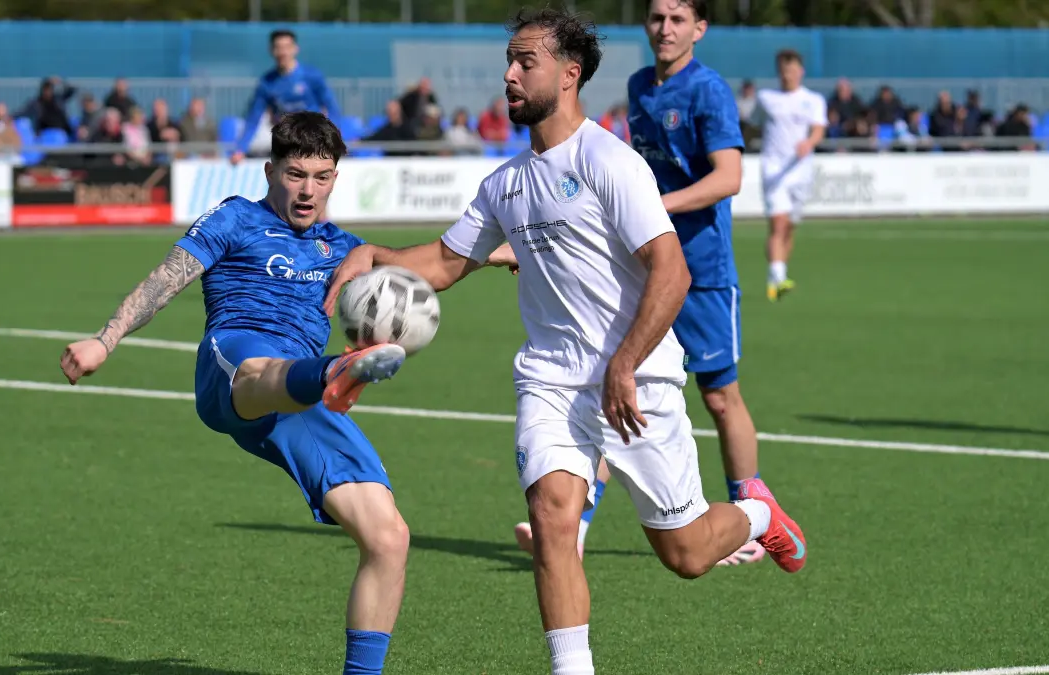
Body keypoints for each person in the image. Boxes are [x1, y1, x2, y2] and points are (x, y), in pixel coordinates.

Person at [323, 10, 807, 675]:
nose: (509, 74)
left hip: (638, 381)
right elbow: (442, 261)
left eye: (526, 61)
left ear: (569, 74)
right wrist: (371, 255)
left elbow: (674, 270)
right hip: (550, 379)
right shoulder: (505, 183)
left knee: (688, 552)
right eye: (510, 61)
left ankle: (757, 513)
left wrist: (625, 362)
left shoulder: (611, 162)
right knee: (553, 517)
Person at [60, 112, 409, 675]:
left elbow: (428, 264)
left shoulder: (341, 245)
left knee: (389, 536)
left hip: (305, 392)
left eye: (322, 177)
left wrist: (492, 255)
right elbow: (165, 279)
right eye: (296, 174)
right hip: (234, 365)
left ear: (336, 178)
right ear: (270, 170)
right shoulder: (235, 217)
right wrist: (106, 339)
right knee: (260, 369)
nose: (307, 190)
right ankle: (334, 373)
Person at [512, 0, 769, 568]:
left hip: (698, 269)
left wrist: (654, 207)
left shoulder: (709, 90)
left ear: (699, 29)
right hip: (635, 266)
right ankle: (574, 524)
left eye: (678, 19)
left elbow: (729, 177)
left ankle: (749, 512)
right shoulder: (638, 85)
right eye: (657, 17)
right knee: (607, 380)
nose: (665, 28)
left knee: (721, 398)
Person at [753, 48, 827, 301]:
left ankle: (776, 276)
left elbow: (818, 129)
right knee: (778, 223)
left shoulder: (813, 100)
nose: (788, 75)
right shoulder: (766, 98)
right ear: (779, 72)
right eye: (784, 70)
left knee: (789, 229)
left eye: (793, 70)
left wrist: (809, 143)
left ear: (801, 71)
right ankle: (777, 275)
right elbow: (752, 124)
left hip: (801, 173)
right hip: (773, 170)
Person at [231, 29, 341, 165]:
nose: (283, 52)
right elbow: (253, 117)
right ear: (271, 50)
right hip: (285, 142)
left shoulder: (312, 76)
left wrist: (334, 140)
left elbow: (332, 107)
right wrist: (240, 149)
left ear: (295, 49)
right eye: (278, 48)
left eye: (287, 47)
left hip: (314, 139)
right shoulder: (267, 82)